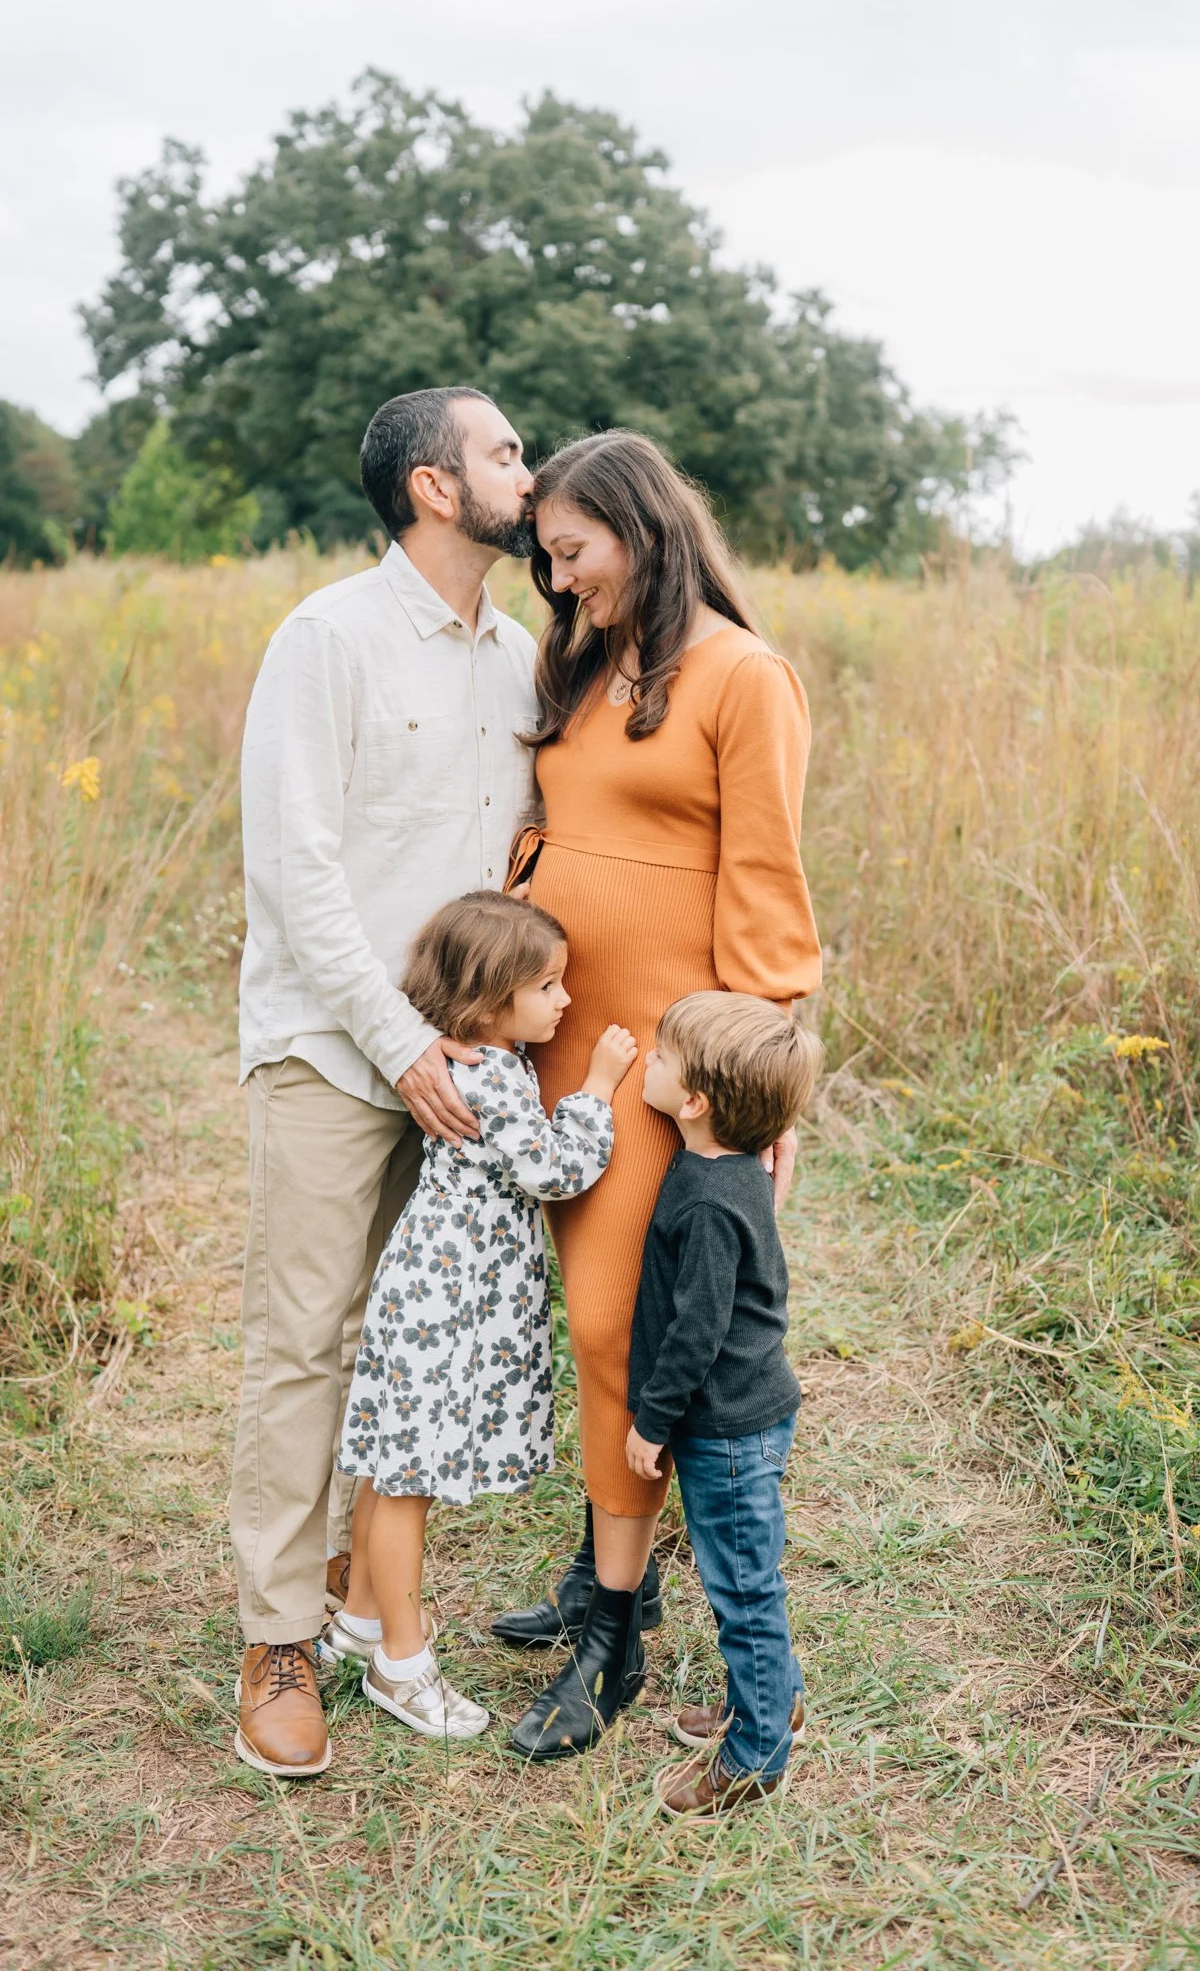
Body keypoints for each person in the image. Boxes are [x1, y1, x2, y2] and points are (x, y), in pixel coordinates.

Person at [497, 431, 823, 1761]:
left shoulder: (745, 677)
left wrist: (759, 1100)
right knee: (587, 1325)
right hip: (564, 1047)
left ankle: (612, 1641)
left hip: (671, 1069)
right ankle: (597, 1568)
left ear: (643, 528)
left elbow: (766, 887)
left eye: (573, 553)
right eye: (547, 562)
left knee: (615, 1330)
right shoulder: (581, 663)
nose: (560, 583)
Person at [231, 386, 538, 1779]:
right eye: (504, 453)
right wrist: (397, 1041)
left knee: (427, 1339)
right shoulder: (329, 639)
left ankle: (370, 1596)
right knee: (310, 1338)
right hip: (332, 1046)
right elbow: (297, 873)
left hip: (463, 1067)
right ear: (433, 486)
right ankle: (277, 1638)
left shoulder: (521, 657)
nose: (525, 473)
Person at [322, 891, 636, 1741]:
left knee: (392, 1461)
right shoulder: (495, 1073)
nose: (565, 1001)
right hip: (450, 1298)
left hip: (433, 1281)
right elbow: (553, 1171)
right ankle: (402, 1660)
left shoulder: (477, 1058)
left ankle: (355, 1623)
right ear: (490, 1000)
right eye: (548, 987)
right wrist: (598, 1089)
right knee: (407, 1477)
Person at [625, 992, 821, 1818]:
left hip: (727, 1427)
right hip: (745, 1414)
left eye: (662, 1057)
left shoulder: (708, 1201)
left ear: (697, 1102)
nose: (649, 1064)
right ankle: (776, 1703)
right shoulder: (727, 1166)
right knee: (747, 1578)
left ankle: (756, 1754)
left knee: (742, 1587)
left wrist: (651, 1421)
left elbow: (694, 1329)